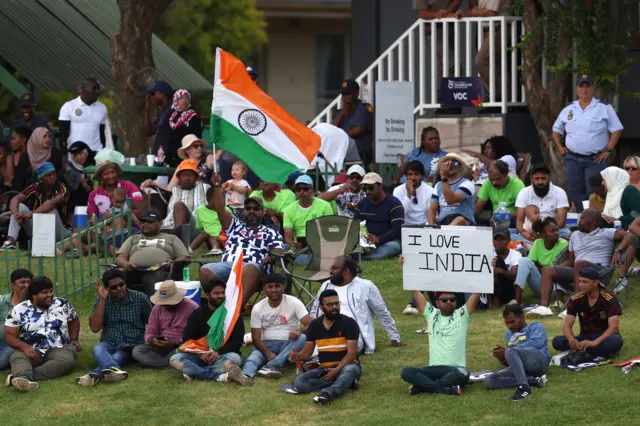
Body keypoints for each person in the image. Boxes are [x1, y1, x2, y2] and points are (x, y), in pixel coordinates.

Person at [527, 209, 637, 317]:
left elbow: (630, 236)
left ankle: (576, 307)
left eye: (583, 218)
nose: (579, 220)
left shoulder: (606, 232)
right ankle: (544, 308)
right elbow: (570, 261)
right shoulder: (575, 235)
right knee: (548, 269)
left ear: (593, 222)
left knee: (580, 264)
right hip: (577, 269)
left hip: (599, 272)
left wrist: (619, 250)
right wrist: (553, 269)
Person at [200, 173, 284, 308]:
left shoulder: (270, 232)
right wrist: (216, 187)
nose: (251, 211)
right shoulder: (235, 226)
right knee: (205, 270)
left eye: (256, 209)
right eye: (248, 208)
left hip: (254, 269)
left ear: (263, 212)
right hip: (229, 266)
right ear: (243, 211)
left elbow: (278, 250)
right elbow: (220, 210)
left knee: (250, 267)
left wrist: (273, 255)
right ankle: (215, 307)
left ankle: (234, 310)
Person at [552, 74, 624, 211]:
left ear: (593, 88)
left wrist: (608, 149)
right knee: (576, 191)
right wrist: (560, 147)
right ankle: (582, 222)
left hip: (595, 159)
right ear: (577, 89)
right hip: (572, 158)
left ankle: (596, 223)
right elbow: (556, 130)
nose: (584, 89)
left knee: (595, 192)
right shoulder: (569, 109)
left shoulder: (604, 108)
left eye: (588, 86)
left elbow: (617, 129)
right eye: (581, 86)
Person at [311, 256, 403, 353]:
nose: (330, 271)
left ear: (346, 271)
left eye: (334, 268)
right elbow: (314, 312)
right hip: (325, 331)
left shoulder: (365, 286)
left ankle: (321, 358)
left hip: (353, 335)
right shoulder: (325, 285)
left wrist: (394, 337)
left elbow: (382, 312)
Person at [76, 269, 152, 387]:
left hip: (131, 344)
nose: (119, 289)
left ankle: (95, 373)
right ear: (107, 289)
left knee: (118, 355)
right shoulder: (102, 300)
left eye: (121, 285)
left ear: (125, 283)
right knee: (98, 349)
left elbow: (152, 323)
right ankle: (114, 371)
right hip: (109, 341)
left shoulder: (140, 298)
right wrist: (102, 299)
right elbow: (95, 328)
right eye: (114, 287)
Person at [4, 276, 81, 392]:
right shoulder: (19, 310)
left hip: (59, 348)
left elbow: (74, 320)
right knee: (18, 357)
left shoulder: (62, 304)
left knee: (67, 361)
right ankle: (23, 378)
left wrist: (74, 339)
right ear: (34, 295)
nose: (49, 295)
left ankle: (21, 377)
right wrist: (25, 348)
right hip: (30, 349)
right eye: (44, 292)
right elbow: (9, 335)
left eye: (51, 291)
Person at [169, 278, 251, 385]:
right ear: (207, 295)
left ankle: (195, 373)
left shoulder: (232, 315)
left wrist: (218, 353)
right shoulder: (197, 314)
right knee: (175, 359)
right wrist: (200, 354)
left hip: (222, 355)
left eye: (223, 293)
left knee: (235, 359)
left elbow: (237, 341)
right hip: (199, 356)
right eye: (216, 293)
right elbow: (187, 338)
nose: (221, 296)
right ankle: (218, 376)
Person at [288, 289, 362, 405]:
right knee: (299, 382)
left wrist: (336, 370)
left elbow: (351, 354)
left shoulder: (349, 323)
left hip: (347, 365)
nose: (335, 307)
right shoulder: (314, 325)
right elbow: (307, 354)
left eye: (337, 303)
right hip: (325, 368)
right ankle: (346, 382)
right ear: (322, 308)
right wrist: (296, 356)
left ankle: (328, 393)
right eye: (330, 304)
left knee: (350, 370)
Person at [400, 291, 480, 396]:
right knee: (406, 372)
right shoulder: (431, 314)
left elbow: (477, 293)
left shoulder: (462, 314)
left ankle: (421, 388)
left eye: (452, 300)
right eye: (444, 300)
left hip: (455, 369)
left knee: (464, 373)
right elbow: (415, 291)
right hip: (434, 369)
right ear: (437, 303)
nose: (448, 302)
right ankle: (447, 390)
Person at [241, 274, 311, 379]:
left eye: (277, 286)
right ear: (264, 288)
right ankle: (244, 376)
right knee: (253, 359)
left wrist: (299, 331)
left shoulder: (294, 302)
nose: (274, 290)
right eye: (270, 286)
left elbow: (312, 324)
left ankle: (272, 365)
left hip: (288, 345)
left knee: (302, 338)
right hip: (266, 345)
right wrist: (268, 353)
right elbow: (256, 338)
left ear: (283, 287)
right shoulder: (258, 307)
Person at [551, 267, 623, 359]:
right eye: (580, 281)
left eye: (585, 282)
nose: (581, 285)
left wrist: (595, 342)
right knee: (557, 341)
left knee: (616, 341)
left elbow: (614, 327)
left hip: (604, 337)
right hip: (585, 337)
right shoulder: (576, 299)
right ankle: (588, 350)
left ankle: (583, 350)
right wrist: (571, 340)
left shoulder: (609, 299)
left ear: (595, 282)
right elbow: (567, 325)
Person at [484, 304, 550, 401]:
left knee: (510, 350)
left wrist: (508, 351)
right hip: (522, 369)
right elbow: (513, 360)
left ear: (522, 317)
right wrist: (502, 358)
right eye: (506, 323)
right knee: (489, 380)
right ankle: (532, 381)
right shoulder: (508, 334)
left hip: (537, 360)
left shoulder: (536, 326)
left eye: (512, 322)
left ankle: (524, 388)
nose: (509, 326)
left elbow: (537, 343)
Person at [117, 210, 190, 296]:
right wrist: (126, 265)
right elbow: (120, 257)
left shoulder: (171, 238)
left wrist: (170, 264)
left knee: (152, 278)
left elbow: (184, 257)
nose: (145, 224)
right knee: (117, 277)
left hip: (159, 270)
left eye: (150, 222)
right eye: (143, 222)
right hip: (134, 270)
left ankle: (156, 307)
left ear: (160, 223)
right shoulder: (133, 238)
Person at [1, 162, 71, 250]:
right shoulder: (35, 187)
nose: (52, 177)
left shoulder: (61, 187)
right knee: (20, 206)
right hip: (40, 230)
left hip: (60, 232)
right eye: (48, 175)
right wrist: (16, 214)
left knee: (51, 211)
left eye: (53, 174)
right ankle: (11, 241)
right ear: (41, 179)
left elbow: (51, 203)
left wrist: (31, 214)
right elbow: (15, 199)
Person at [132, 280, 199, 369]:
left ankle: (157, 363)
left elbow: (194, 337)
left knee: (184, 351)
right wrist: (153, 340)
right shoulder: (158, 308)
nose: (165, 305)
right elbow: (149, 332)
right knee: (137, 351)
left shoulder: (192, 308)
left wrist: (174, 343)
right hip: (160, 346)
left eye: (169, 303)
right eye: (164, 303)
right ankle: (170, 363)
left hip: (180, 346)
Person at [451, 1, 512, 96]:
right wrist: (471, 10)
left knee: (481, 61)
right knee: (493, 64)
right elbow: (474, 6)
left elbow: (491, 13)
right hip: (486, 29)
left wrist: (469, 13)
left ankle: (500, 96)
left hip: (499, 27)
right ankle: (496, 97)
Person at [513, 217, 568, 303]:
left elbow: (562, 269)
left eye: (557, 230)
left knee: (558, 271)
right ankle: (517, 300)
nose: (556, 233)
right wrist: (545, 269)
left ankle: (559, 302)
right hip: (541, 285)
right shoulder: (537, 243)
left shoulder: (563, 243)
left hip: (557, 287)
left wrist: (542, 268)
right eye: (552, 231)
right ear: (542, 234)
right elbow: (531, 264)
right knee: (524, 261)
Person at [352, 172, 405, 260]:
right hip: (366, 242)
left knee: (393, 247)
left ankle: (364, 258)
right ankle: (363, 254)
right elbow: (355, 226)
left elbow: (397, 229)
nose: (367, 192)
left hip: (388, 241)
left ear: (380, 186)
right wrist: (363, 241)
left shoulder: (394, 203)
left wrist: (379, 239)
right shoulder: (361, 204)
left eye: (371, 188)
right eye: (365, 189)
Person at [283, 175, 334, 264]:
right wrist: (294, 245)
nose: (301, 192)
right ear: (295, 192)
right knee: (286, 250)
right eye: (298, 189)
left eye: (305, 189)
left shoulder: (325, 206)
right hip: (301, 249)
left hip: (322, 245)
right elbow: (288, 237)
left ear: (312, 190)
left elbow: (329, 231)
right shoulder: (288, 210)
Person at [414, 3, 462, 99]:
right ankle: (443, 100)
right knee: (448, 66)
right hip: (434, 30)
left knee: (450, 66)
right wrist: (441, 15)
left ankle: (450, 102)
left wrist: (448, 10)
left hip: (451, 27)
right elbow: (422, 13)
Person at [161, 159, 210, 247]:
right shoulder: (175, 191)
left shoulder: (205, 188)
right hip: (169, 229)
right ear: (179, 178)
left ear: (196, 177)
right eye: (184, 175)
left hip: (195, 229)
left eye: (190, 175)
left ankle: (178, 246)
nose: (186, 178)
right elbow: (170, 214)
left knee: (179, 206)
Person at [514, 163, 570, 240]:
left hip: (551, 231)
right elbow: (519, 221)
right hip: (530, 232)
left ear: (549, 177)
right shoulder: (524, 192)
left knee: (566, 232)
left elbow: (561, 221)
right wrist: (525, 234)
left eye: (543, 178)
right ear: (532, 178)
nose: (540, 182)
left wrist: (544, 234)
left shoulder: (559, 192)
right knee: (511, 235)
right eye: (537, 179)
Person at [59, 77, 113, 155]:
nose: (97, 92)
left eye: (98, 89)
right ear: (82, 90)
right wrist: (64, 157)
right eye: (94, 89)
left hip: (97, 153)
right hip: (76, 154)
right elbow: (63, 135)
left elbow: (103, 134)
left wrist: (104, 152)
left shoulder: (102, 108)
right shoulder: (69, 106)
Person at [142, 134, 214, 192]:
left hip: (205, 198)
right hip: (187, 199)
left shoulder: (208, 158)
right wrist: (153, 183)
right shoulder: (182, 165)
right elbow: (169, 189)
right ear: (187, 150)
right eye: (195, 146)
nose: (199, 148)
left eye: (201, 146)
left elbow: (215, 161)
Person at [87, 161, 145, 226]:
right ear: (100, 177)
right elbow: (91, 220)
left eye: (112, 172)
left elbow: (141, 211)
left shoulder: (129, 186)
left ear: (116, 173)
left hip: (131, 230)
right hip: (106, 232)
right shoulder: (94, 195)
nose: (111, 176)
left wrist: (114, 216)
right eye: (106, 174)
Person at [332, 79, 374, 168]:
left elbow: (358, 130)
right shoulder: (339, 113)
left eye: (348, 94)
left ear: (356, 93)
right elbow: (332, 130)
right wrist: (342, 112)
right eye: (343, 94)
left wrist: (341, 137)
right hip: (343, 153)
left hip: (361, 153)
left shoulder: (364, 109)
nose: (345, 97)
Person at [428, 153, 476, 225]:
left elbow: (451, 200)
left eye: (454, 163)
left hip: (465, 224)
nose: (450, 166)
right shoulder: (438, 186)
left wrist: (444, 178)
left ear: (461, 168)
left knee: (459, 220)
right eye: (447, 163)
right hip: (443, 223)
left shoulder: (467, 184)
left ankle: (445, 233)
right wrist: (432, 227)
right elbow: (432, 210)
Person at [475, 160, 525, 227]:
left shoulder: (517, 185)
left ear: (506, 174)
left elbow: (523, 213)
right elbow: (477, 207)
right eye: (491, 179)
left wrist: (502, 215)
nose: (494, 183)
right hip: (494, 221)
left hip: (513, 220)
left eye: (497, 179)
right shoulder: (488, 182)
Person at [0, 269, 32, 370]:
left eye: (29, 282)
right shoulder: (2, 302)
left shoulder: (35, 304)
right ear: (13, 285)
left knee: (5, 359)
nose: (26, 285)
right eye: (22, 282)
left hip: (16, 344)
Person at [166, 89, 202, 168]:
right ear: (176, 101)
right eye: (181, 98)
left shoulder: (193, 115)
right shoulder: (172, 116)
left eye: (187, 98)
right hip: (172, 154)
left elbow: (196, 137)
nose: (184, 101)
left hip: (186, 153)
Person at [393, 161, 434, 225]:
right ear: (406, 176)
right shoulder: (398, 190)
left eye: (416, 174)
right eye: (410, 174)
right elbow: (399, 214)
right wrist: (408, 196)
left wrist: (425, 229)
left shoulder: (430, 190)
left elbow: (431, 213)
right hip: (404, 226)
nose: (413, 177)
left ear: (422, 176)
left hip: (424, 226)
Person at [490, 227, 521, 308]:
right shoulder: (488, 252)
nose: (498, 242)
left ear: (508, 240)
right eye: (496, 239)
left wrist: (500, 271)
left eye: (502, 239)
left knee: (498, 260)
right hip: (490, 286)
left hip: (508, 289)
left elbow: (513, 276)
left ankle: (495, 302)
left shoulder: (515, 254)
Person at [191, 187, 227, 255]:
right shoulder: (200, 210)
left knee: (210, 235)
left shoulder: (226, 210)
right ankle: (188, 251)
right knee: (205, 234)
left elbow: (233, 226)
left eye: (222, 199)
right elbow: (199, 226)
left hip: (224, 237)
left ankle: (215, 249)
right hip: (208, 240)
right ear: (208, 199)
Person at [144, 80, 174, 163]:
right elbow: (148, 132)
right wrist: (147, 110)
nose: (151, 97)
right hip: (159, 156)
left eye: (153, 94)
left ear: (162, 94)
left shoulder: (173, 110)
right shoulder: (163, 112)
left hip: (167, 157)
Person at [64, 141, 95, 216]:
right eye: (75, 155)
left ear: (87, 153)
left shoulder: (95, 164)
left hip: (96, 205)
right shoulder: (70, 170)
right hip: (78, 206)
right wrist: (81, 182)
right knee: (81, 226)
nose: (78, 157)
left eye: (81, 154)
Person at [6, 126, 35, 192]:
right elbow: (11, 179)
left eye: (13, 139)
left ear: (23, 139)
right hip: (16, 192)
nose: (11, 142)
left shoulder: (33, 155)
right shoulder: (10, 157)